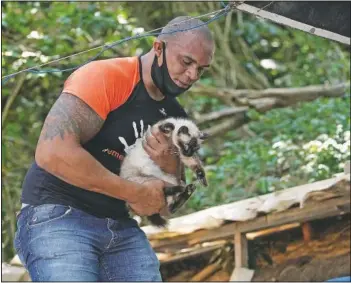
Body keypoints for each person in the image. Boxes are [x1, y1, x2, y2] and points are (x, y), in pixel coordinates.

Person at [14, 15, 215, 281]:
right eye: (187, 62)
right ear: (158, 48)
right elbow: (52, 153)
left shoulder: (176, 118)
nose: (192, 75)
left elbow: (162, 209)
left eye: (201, 69)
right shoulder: (106, 76)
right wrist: (134, 192)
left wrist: (169, 166)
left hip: (120, 229)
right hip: (59, 214)